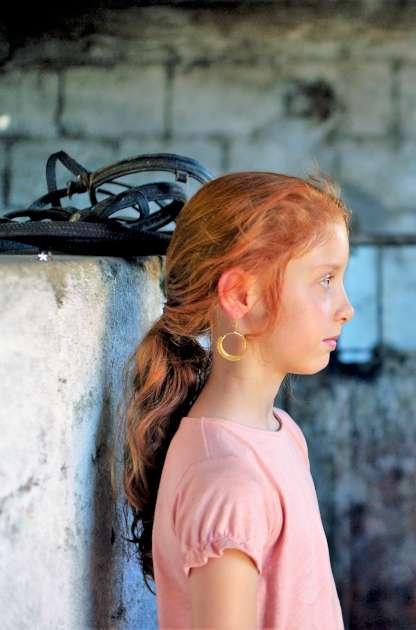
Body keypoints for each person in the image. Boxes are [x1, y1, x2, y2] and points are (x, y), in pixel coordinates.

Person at [123, 172, 353, 628]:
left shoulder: (282, 432)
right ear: (241, 296)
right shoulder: (229, 483)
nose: (346, 308)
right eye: (325, 279)